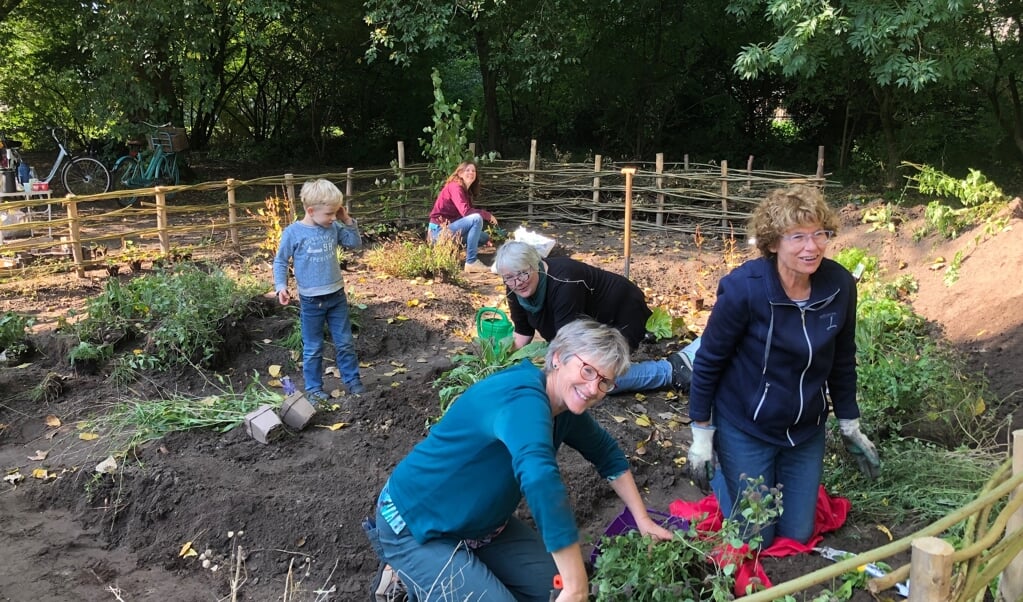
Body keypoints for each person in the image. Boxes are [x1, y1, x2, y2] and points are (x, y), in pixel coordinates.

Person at [364, 319, 675, 602]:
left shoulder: (565, 408)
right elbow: (539, 477)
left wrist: (642, 519)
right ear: (557, 358)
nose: (593, 388)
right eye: (588, 370)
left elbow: (608, 455)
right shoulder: (521, 398)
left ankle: (459, 574)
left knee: (553, 590)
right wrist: (575, 582)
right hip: (417, 523)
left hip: (484, 527)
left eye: (605, 381)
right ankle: (405, 578)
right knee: (567, 586)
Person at [686, 185, 881, 548]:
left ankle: (759, 475)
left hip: (804, 430)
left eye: (819, 234)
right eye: (798, 237)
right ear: (774, 242)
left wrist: (850, 423)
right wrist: (701, 435)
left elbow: (842, 358)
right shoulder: (745, 289)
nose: (812, 247)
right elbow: (708, 361)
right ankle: (727, 471)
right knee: (755, 538)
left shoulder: (839, 286)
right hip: (747, 424)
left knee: (797, 535)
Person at [492, 240, 695, 395]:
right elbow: (522, 332)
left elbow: (566, 342)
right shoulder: (514, 286)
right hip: (587, 330)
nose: (517, 282)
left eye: (523, 274)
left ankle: (670, 370)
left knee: (598, 381)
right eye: (509, 277)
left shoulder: (564, 281)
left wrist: (548, 376)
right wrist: (501, 364)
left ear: (535, 265)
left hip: (621, 313)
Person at [273, 179, 366, 400]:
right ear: (311, 211)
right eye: (329, 214)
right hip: (311, 302)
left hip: (336, 297)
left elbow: (354, 243)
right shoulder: (294, 233)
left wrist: (347, 220)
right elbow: (280, 261)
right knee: (313, 347)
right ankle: (314, 388)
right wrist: (281, 286)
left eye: (336, 213)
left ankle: (353, 381)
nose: (333, 217)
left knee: (344, 341)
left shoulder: (333, 227)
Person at [427, 160, 498, 273]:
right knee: (476, 218)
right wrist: (487, 215)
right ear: (460, 173)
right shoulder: (455, 187)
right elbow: (466, 212)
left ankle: (451, 250)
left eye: (473, 170)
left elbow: (462, 218)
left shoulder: (466, 191)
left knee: (483, 237)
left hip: (448, 232)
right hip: (437, 234)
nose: (471, 172)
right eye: (467, 170)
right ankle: (471, 262)